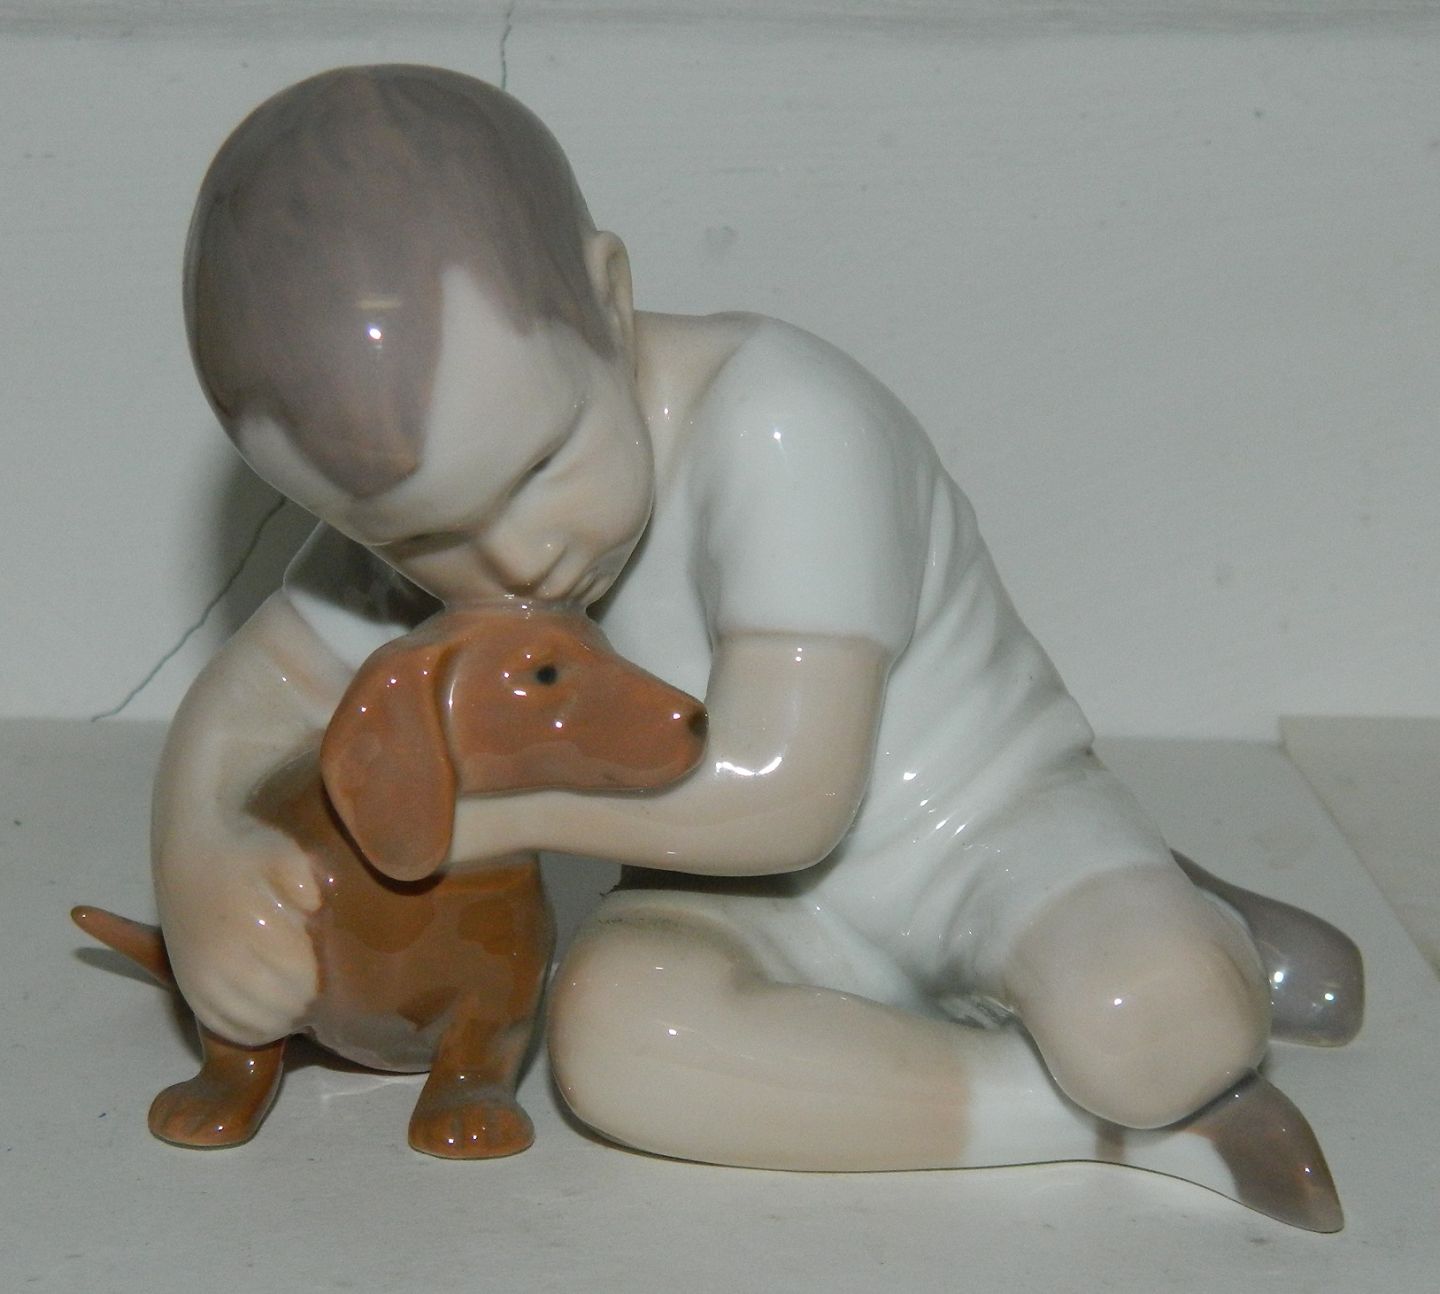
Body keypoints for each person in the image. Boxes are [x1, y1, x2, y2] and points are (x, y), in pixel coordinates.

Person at [164, 65, 1345, 1220]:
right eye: (422, 538)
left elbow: (792, 797)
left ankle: (1161, 918)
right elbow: (247, 706)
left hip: (984, 823)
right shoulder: (437, 506)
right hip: (741, 899)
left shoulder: (784, 422)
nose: (514, 561)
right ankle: (1086, 1124)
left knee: (1155, 1023)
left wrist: (483, 821)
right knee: (617, 1044)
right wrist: (205, 868)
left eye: (541, 466)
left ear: (609, 302)